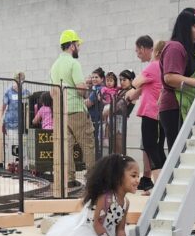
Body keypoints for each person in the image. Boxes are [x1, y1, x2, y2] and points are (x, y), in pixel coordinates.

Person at [34, 154, 139, 236]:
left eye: (138, 176)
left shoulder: (125, 202)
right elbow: (98, 225)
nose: (137, 180)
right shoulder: (107, 198)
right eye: (133, 176)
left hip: (106, 233)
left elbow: (120, 229)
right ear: (118, 177)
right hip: (90, 232)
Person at [50, 29, 97, 191]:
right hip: (77, 110)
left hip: (61, 112)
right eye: (77, 44)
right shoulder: (74, 63)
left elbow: (52, 92)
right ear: (71, 46)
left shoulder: (54, 66)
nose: (79, 47)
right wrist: (87, 85)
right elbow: (80, 90)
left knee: (67, 146)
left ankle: (69, 179)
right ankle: (91, 179)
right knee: (88, 144)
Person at [158, 7, 195, 153]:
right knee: (178, 154)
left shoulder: (188, 51)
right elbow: (170, 77)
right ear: (186, 27)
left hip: (183, 106)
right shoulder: (174, 47)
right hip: (174, 107)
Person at [126, 37, 165, 192]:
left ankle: (159, 186)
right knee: (157, 148)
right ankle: (162, 184)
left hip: (151, 113)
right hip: (158, 114)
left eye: (137, 51)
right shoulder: (161, 67)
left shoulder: (153, 66)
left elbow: (135, 83)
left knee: (151, 147)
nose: (138, 54)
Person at [0, 72, 27, 170]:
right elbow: (4, 105)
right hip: (11, 122)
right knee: (13, 143)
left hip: (23, 123)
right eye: (18, 79)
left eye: (22, 80)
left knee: (22, 143)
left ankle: (20, 163)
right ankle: (12, 163)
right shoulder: (8, 92)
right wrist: (1, 118)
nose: (20, 81)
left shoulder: (25, 92)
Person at [105, 70, 135, 155]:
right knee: (113, 146)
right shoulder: (121, 91)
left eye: (124, 80)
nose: (122, 82)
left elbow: (117, 107)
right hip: (113, 118)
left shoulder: (131, 91)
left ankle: (122, 166)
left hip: (121, 119)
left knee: (119, 146)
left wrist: (108, 110)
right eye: (120, 79)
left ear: (131, 80)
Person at [86, 67, 107, 160]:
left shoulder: (97, 90)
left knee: (96, 145)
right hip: (98, 120)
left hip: (96, 121)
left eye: (96, 77)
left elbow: (88, 103)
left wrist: (79, 102)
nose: (94, 79)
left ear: (102, 79)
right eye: (93, 77)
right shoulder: (99, 89)